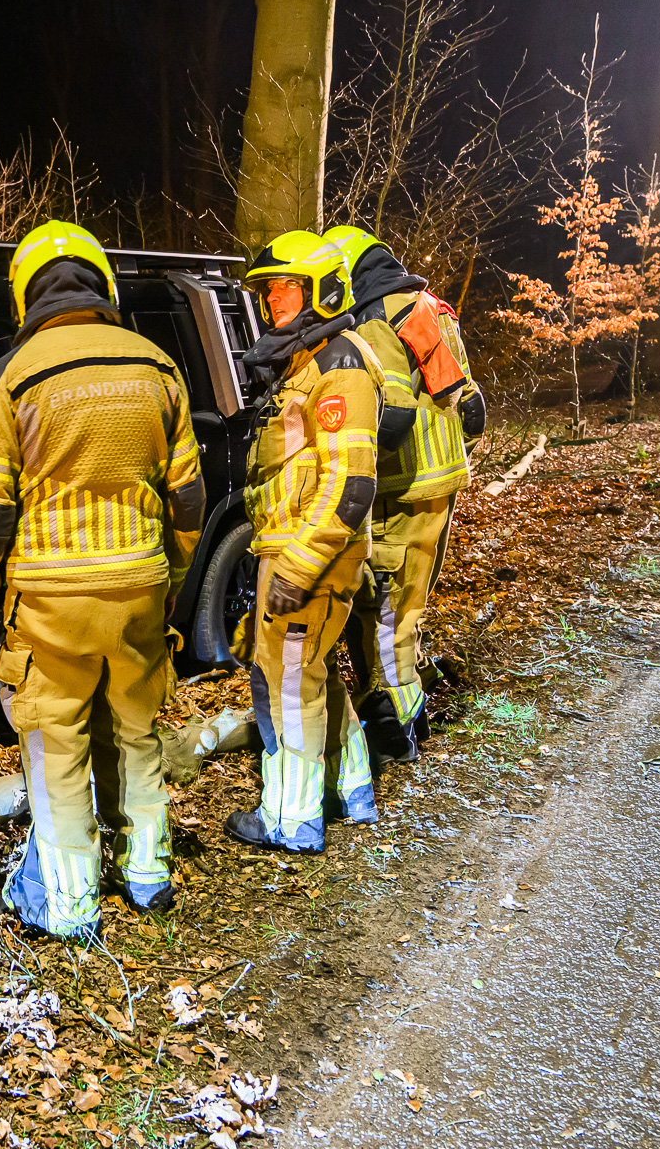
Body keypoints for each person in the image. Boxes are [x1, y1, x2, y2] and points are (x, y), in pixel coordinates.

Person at [0, 220, 204, 939]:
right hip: (139, 587)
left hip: (52, 601)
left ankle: (68, 902)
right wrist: (172, 576)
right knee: (136, 727)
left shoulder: (12, 377)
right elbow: (188, 497)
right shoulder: (157, 365)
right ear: (103, 282)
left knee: (55, 742)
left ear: (25, 294)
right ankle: (150, 873)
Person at [224, 230, 386, 855]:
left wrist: (298, 566)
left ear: (322, 290)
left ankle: (291, 819)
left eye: (285, 288)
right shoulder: (310, 358)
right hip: (291, 546)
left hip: (308, 555)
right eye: (266, 291)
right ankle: (351, 790)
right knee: (312, 675)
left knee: (288, 685)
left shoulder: (338, 365)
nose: (273, 303)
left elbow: (350, 484)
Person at [320, 226, 485, 767]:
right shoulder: (427, 307)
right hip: (442, 480)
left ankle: (398, 731)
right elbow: (469, 403)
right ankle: (406, 714)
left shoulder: (376, 320)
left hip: (402, 488)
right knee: (406, 607)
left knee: (388, 612)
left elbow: (389, 413)